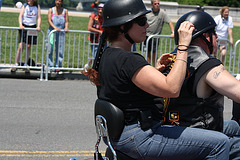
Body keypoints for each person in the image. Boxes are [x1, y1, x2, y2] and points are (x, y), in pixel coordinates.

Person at [84, 0, 230, 159]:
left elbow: (127, 88)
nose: (147, 25)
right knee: (220, 143)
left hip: (123, 135)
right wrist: (183, 47)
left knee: (232, 128)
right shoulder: (129, 60)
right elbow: (172, 89)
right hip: (141, 136)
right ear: (122, 27)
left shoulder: (109, 55)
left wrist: (154, 70)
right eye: (141, 21)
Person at [162, 11, 240, 159]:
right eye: (214, 33)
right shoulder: (207, 64)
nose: (217, 37)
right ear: (205, 37)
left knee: (235, 127)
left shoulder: (171, 59)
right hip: (199, 139)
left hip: (175, 130)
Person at [11, 0, 41, 73]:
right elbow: (20, 16)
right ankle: (16, 63)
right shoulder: (24, 5)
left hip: (32, 26)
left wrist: (38, 26)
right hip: (24, 26)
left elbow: (39, 17)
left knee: (28, 46)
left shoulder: (37, 6)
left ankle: (25, 64)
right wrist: (20, 24)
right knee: (21, 46)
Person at [145, 0, 174, 66]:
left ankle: (156, 66)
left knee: (154, 53)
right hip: (146, 35)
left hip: (155, 36)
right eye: (155, 4)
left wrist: (173, 32)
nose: (157, 5)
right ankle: (148, 66)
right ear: (152, 5)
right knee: (147, 53)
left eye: (158, 3)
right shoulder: (148, 12)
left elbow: (169, 22)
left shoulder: (162, 13)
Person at [47, 0, 69, 70]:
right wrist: (55, 28)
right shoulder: (51, 10)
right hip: (52, 32)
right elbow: (49, 20)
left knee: (60, 50)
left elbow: (66, 21)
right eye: (56, 0)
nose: (57, 2)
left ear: (62, 2)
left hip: (61, 33)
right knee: (50, 49)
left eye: (59, 1)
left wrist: (66, 27)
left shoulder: (65, 11)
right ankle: (50, 66)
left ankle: (58, 66)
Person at [84, 3, 104, 71]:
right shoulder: (93, 16)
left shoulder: (106, 17)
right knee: (96, 56)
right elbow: (89, 28)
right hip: (94, 40)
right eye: (99, 9)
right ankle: (94, 70)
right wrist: (99, 32)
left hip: (103, 40)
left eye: (102, 9)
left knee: (102, 56)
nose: (100, 11)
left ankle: (89, 66)